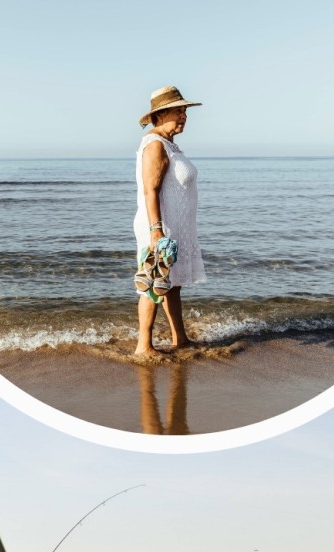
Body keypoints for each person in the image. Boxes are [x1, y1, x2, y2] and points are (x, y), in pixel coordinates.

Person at [133, 85, 206, 356]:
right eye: (178, 111)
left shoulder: (168, 144)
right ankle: (144, 346)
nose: (184, 116)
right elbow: (149, 190)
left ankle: (181, 339)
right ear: (159, 115)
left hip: (172, 226)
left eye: (185, 111)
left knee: (170, 284)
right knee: (152, 284)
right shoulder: (155, 145)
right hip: (159, 226)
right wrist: (156, 231)